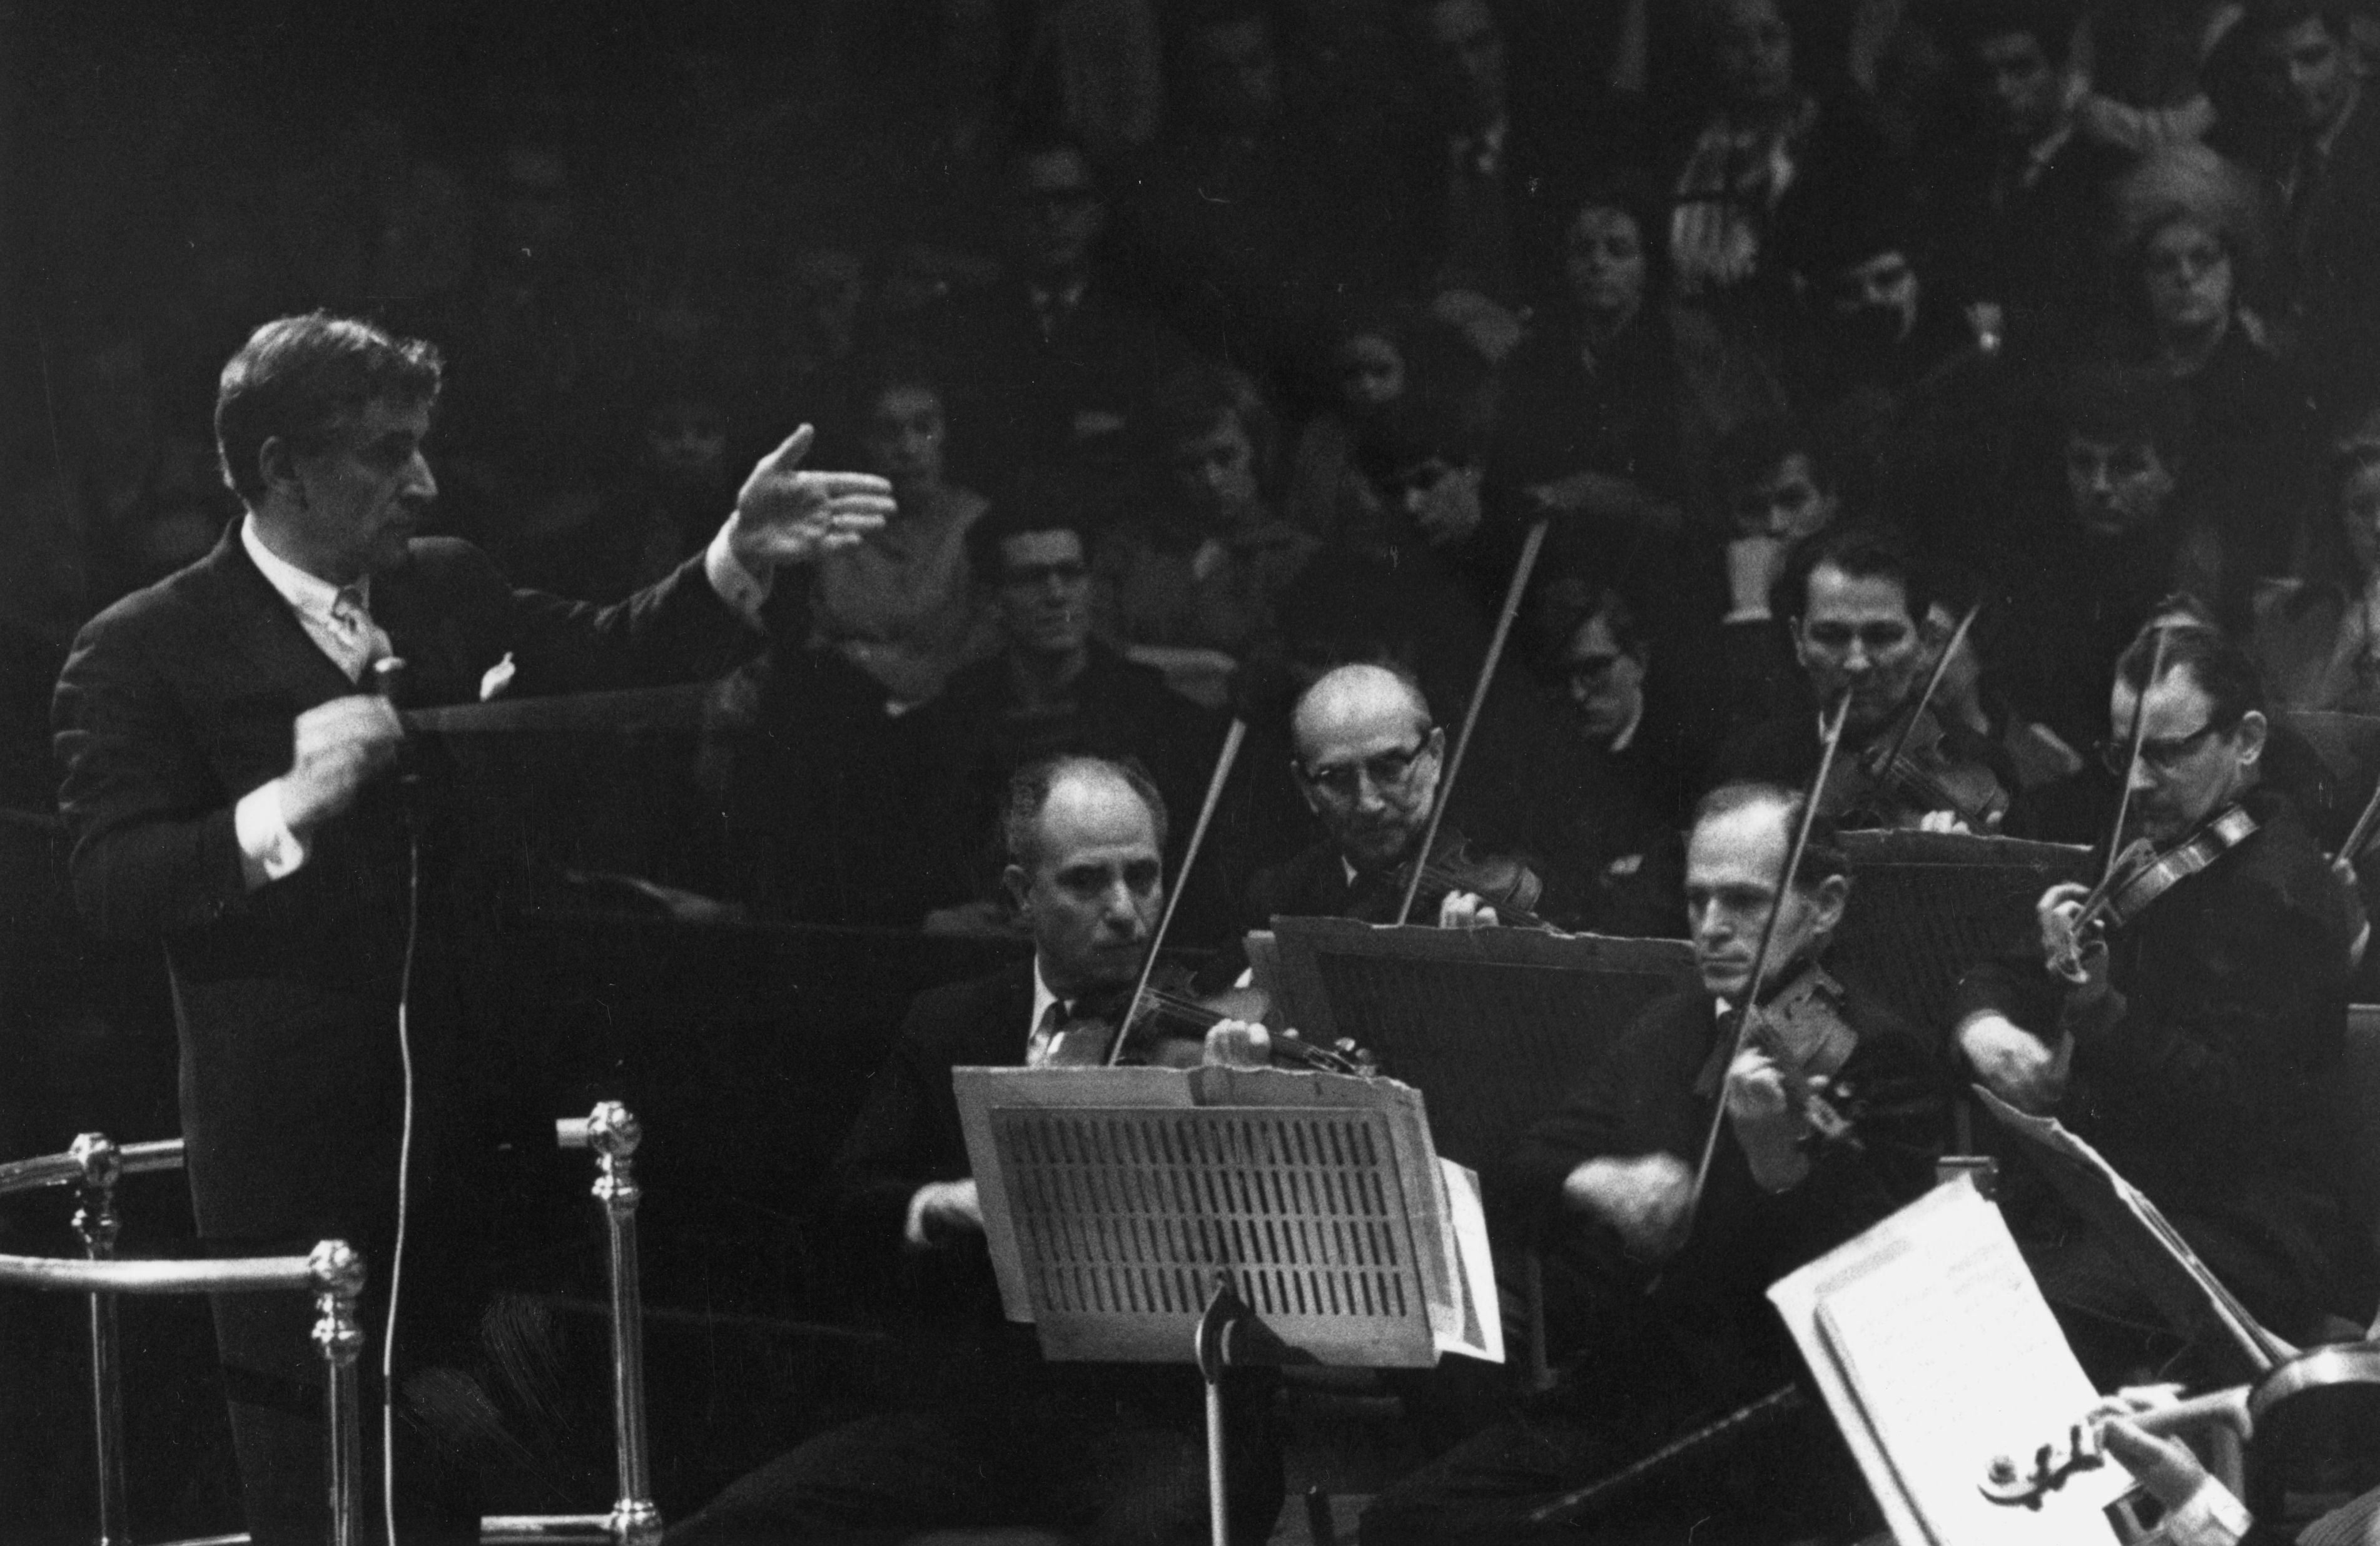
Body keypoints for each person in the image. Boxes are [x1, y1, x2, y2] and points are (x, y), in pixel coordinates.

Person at [49, 312, 896, 1543]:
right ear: (282, 468)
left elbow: (606, 654)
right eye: (387, 453)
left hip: (472, 1149)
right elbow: (111, 885)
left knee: (473, 1487)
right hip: (296, 1165)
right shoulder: (141, 648)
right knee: (325, 1503)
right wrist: (285, 805)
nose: (424, 482)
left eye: (423, 449)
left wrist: (734, 559)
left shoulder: (447, 584)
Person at [668, 755, 1285, 1545]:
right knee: (738, 1524)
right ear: (1021, 894)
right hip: (974, 1416)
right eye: (1087, 882)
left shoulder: (1208, 1036)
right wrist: (941, 1203)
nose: (1127, 910)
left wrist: (1245, 1108)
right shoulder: (948, 1024)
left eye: (1144, 875)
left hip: (1157, 1423)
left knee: (1153, 1529)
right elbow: (843, 1211)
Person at [1359, 782, 1946, 1543]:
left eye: (1742, 902)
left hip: (1769, 1429)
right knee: (1402, 1523)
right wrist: (1600, 1181)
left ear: (1826, 905)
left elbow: (1868, 1286)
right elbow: (1523, 1170)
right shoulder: (1672, 1025)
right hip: (1628, 1398)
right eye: (1697, 899)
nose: (1711, 928)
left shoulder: (1879, 1051)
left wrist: (1779, 1169)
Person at [1953, 625, 2357, 1368]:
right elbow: (2008, 965)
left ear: (2246, 740)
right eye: (2123, 752)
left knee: (2018, 1317)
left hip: (2242, 1233)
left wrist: (2103, 1018)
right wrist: (1983, 1022)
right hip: (2126, 1197)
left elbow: (2236, 1109)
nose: (2136, 782)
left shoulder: (2284, 898)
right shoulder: (2148, 843)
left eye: (2167, 753)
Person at [914, 484, 1223, 928]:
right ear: (993, 598)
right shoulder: (953, 718)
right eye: (1030, 578)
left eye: (1071, 573)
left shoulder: (1158, 716)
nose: (1056, 594)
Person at [1709, 523, 2016, 830]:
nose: (1857, 663)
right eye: (1831, 636)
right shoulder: (1747, 766)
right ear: (1799, 642)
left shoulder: (1984, 764)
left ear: (1922, 642)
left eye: (1882, 636)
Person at [2219, 0, 2380, 418]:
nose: (2293, 81)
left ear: (2347, 50)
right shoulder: (2272, 142)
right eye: (2272, 68)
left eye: (2311, 57)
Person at [807, 356, 999, 705]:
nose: (908, 449)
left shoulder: (978, 523)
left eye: (924, 427)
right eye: (888, 432)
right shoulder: (836, 527)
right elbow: (819, 644)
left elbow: (986, 645)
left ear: (946, 432)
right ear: (864, 441)